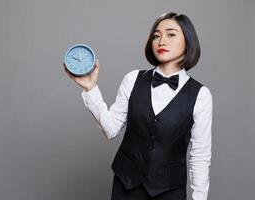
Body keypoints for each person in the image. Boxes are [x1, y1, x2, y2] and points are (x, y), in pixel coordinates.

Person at [64, 12, 212, 200]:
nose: (161, 41)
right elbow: (111, 130)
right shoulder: (133, 79)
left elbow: (200, 156)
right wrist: (91, 89)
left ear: (188, 42)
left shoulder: (201, 95)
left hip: (170, 192)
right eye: (156, 36)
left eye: (171, 34)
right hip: (126, 186)